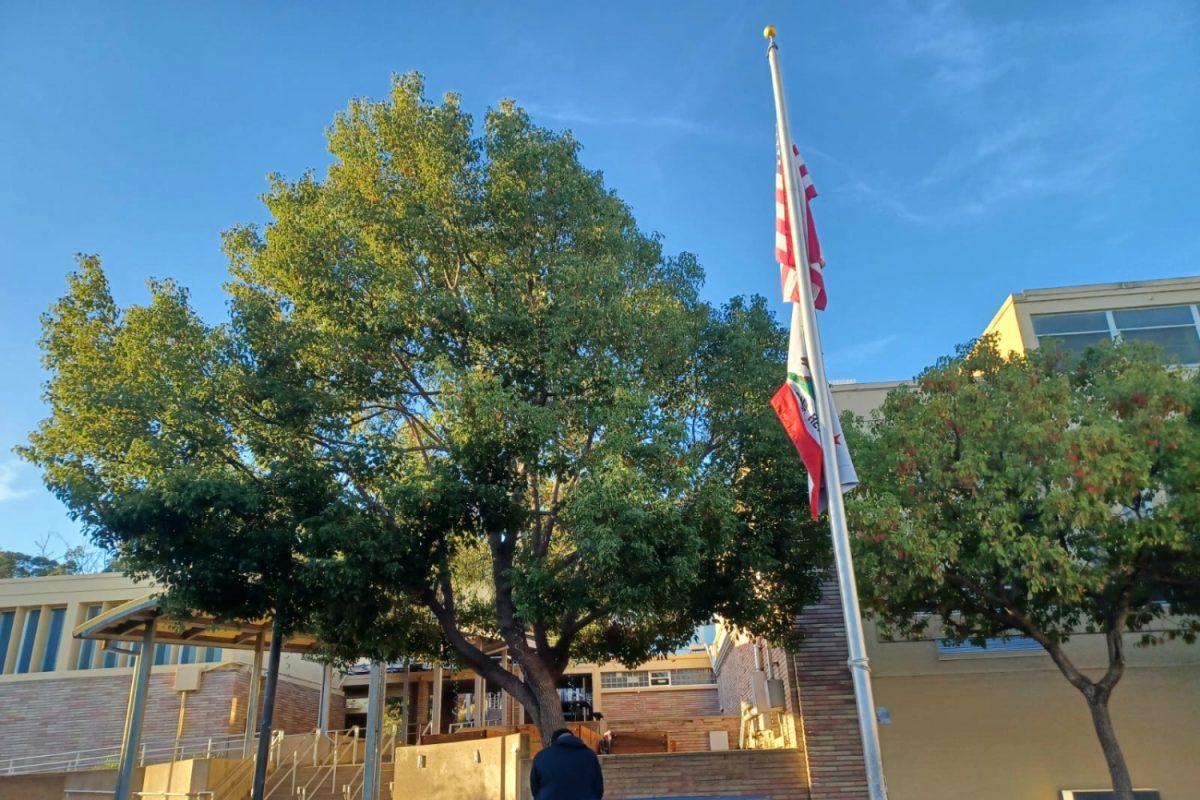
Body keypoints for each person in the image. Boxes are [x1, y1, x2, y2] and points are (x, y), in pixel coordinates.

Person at [530, 728, 604, 800]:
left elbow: (535, 788)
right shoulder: (590, 755)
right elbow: (598, 788)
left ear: (553, 741)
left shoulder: (542, 756)